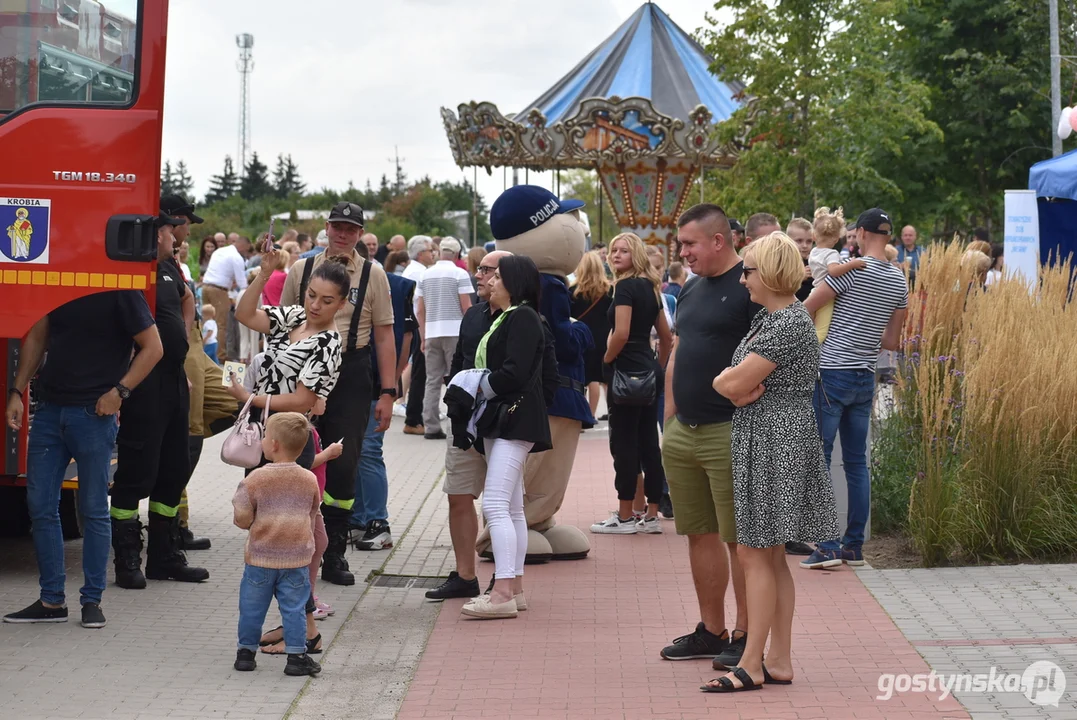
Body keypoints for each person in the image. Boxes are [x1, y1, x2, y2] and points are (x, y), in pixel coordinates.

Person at [704, 233, 838, 692]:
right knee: (770, 554)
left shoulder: (783, 323)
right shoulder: (775, 318)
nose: (742, 278)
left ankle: (752, 662)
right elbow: (730, 382)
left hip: (773, 438)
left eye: (749, 270)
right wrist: (732, 383)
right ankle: (776, 658)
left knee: (755, 553)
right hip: (773, 435)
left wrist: (731, 384)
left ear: (772, 273)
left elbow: (730, 382)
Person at [3, 252, 164, 628]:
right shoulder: (59, 277)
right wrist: (16, 391)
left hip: (93, 415)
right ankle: (52, 602)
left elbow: (154, 347)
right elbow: (39, 334)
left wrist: (119, 392)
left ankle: (92, 600)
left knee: (93, 510)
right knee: (40, 507)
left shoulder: (119, 287)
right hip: (49, 411)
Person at [279, 202, 397, 586]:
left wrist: (388, 392)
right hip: (305, 368)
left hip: (350, 371)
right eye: (337, 227)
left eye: (351, 229)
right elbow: (283, 326)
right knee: (298, 454)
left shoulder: (373, 274)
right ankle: (292, 543)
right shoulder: (302, 269)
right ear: (326, 228)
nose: (343, 234)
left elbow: (384, 334)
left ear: (360, 234)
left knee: (344, 464)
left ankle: (334, 552)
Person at [659, 204, 755, 668]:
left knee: (740, 541)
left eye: (690, 244)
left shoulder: (749, 289)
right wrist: (670, 419)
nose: (684, 253)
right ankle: (711, 630)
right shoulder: (692, 287)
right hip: (685, 431)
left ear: (719, 241)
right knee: (699, 533)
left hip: (728, 432)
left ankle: (745, 634)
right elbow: (678, 351)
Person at [801, 208, 909, 570]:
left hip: (832, 370)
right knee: (856, 463)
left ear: (860, 233)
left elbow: (806, 309)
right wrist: (864, 336)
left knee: (818, 458)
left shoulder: (851, 270)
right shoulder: (899, 281)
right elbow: (892, 340)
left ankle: (827, 545)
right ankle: (853, 546)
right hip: (866, 375)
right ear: (889, 235)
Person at [109, 207, 209, 590]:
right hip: (144, 385)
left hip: (172, 381)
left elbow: (186, 301)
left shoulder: (170, 269)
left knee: (173, 469)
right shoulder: (134, 272)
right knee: (136, 472)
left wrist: (179, 342)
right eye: (171, 231)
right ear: (157, 234)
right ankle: (127, 560)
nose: (176, 237)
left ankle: (164, 557)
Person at [460, 256, 551, 619]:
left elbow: (513, 372)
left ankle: (502, 593)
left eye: (498, 276)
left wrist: (475, 387)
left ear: (515, 282)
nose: (490, 281)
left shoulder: (523, 316)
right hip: (505, 420)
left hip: (513, 420)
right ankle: (514, 588)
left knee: (496, 505)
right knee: (510, 507)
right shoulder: (509, 316)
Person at [424, 251, 511, 601]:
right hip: (466, 420)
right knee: (458, 494)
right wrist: (455, 405)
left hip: (504, 423)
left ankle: (507, 579)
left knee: (503, 503)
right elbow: (460, 362)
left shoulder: (521, 318)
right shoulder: (473, 314)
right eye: (480, 269)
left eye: (488, 270)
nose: (479, 275)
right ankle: (465, 575)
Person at [590, 233, 672, 535]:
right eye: (613, 250)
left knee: (623, 443)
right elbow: (666, 335)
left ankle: (624, 514)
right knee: (649, 442)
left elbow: (621, 332)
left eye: (623, 251)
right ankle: (651, 514)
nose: (616, 255)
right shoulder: (651, 288)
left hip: (624, 370)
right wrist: (658, 366)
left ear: (635, 254)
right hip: (647, 370)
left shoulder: (624, 287)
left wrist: (607, 360)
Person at [231, 412, 323, 677]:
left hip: (260, 558)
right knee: (294, 609)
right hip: (296, 559)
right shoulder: (309, 479)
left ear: (273, 445)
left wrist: (250, 524)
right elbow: (312, 511)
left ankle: (245, 654)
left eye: (264, 437)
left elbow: (242, 515)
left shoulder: (255, 479)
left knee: (251, 607)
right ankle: (296, 657)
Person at [351, 242, 418, 551]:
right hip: (349, 383)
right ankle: (359, 518)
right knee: (352, 452)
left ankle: (378, 522)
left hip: (375, 384)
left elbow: (405, 336)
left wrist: (391, 384)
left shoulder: (389, 285)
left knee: (367, 450)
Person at [417, 237, 473, 440]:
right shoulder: (460, 274)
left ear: (440, 252)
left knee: (432, 380)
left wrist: (422, 336)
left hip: (432, 332)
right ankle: (455, 424)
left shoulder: (425, 275)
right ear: (457, 254)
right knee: (456, 379)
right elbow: (466, 307)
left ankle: (430, 425)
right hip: (455, 331)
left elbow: (420, 309)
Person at [809, 207, 865, 344]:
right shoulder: (831, 254)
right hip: (825, 296)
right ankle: (809, 348)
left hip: (814, 291)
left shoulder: (814, 252)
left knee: (810, 326)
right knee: (821, 331)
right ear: (836, 238)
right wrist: (852, 264)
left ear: (814, 236)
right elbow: (834, 271)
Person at [570, 251, 613, 419]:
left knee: (583, 378)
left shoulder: (573, 291)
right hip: (603, 339)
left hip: (581, 338)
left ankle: (583, 415)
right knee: (601, 377)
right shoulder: (609, 290)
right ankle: (596, 413)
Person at [402, 235, 436, 435]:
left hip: (415, 325)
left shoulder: (414, 270)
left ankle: (416, 416)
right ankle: (414, 419)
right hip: (419, 326)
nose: (433, 254)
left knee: (419, 372)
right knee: (420, 374)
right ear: (421, 254)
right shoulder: (419, 273)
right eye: (431, 251)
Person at [201, 234, 255, 362]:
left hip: (206, 287)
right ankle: (220, 356)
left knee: (207, 322)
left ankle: (205, 353)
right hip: (219, 291)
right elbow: (242, 284)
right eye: (246, 249)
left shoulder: (221, 251)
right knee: (221, 324)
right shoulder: (236, 257)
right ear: (243, 246)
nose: (246, 252)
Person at [785, 218, 815, 302]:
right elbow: (777, 289)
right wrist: (799, 277)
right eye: (799, 241)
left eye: (809, 241)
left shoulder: (812, 262)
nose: (805, 245)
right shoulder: (782, 263)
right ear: (787, 240)